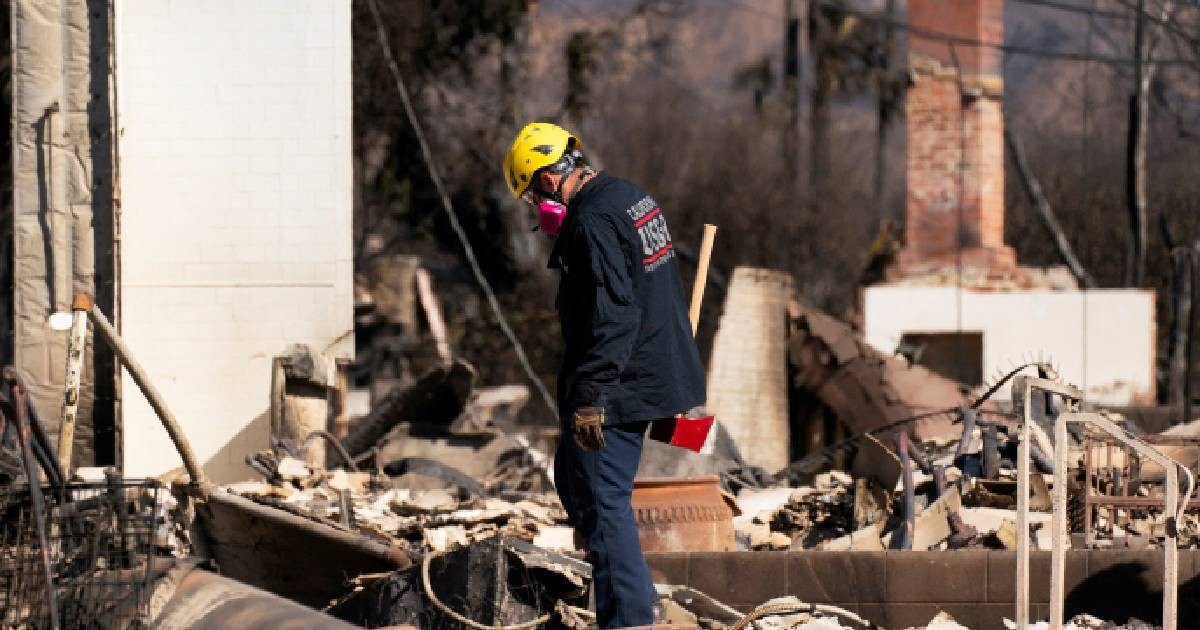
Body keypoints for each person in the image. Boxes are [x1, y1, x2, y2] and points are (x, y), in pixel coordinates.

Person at [503, 122, 706, 628]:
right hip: (647, 369)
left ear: (548, 179)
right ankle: (620, 596)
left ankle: (630, 619)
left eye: (531, 193)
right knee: (574, 479)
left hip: (619, 384)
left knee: (603, 504)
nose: (535, 207)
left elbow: (614, 317)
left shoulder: (591, 222)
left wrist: (591, 397)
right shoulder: (630, 197)